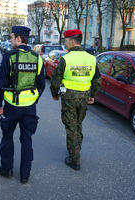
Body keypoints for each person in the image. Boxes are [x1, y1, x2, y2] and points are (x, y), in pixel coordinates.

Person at [0, 26, 45, 184]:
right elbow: (41, 85)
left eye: (11, 37)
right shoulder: (37, 58)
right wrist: (33, 99)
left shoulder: (9, 57)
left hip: (11, 106)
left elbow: (0, 84)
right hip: (30, 107)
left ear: (19, 38)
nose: (10, 40)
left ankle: (6, 169)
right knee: (27, 139)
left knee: (8, 136)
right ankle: (24, 175)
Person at [50, 29, 102, 171]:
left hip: (69, 98)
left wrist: (54, 94)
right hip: (84, 97)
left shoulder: (66, 59)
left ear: (73, 41)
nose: (65, 43)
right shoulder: (91, 59)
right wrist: (92, 95)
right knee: (78, 124)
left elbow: (55, 80)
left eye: (66, 41)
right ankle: (76, 150)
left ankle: (75, 160)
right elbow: (97, 81)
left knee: (71, 127)